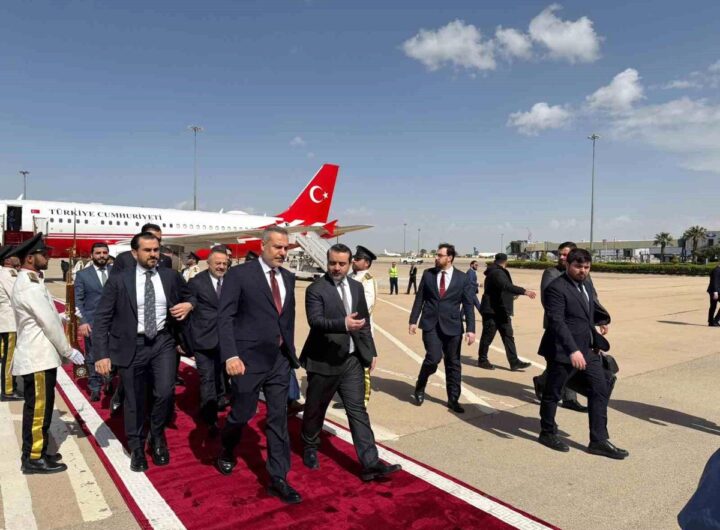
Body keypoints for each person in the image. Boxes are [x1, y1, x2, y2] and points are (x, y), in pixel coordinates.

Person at [93, 231, 195, 472]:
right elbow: (102, 318)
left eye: (156, 250)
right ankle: (136, 446)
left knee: (165, 393)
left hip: (163, 342)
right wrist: (101, 354)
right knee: (135, 399)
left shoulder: (170, 276)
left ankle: (156, 435)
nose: (153, 254)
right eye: (147, 250)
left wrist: (189, 304)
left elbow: (192, 293)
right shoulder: (119, 280)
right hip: (132, 346)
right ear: (134, 253)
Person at [216, 226, 302, 505]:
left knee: (278, 418)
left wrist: (289, 352)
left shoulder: (288, 278)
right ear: (263, 246)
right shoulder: (240, 275)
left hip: (279, 360)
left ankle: (279, 478)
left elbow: (287, 319)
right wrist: (231, 355)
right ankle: (227, 447)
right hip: (247, 360)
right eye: (277, 247)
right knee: (242, 413)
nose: (282, 252)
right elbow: (225, 317)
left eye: (285, 247)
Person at [301, 243, 401, 482]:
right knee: (315, 409)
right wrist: (343, 324)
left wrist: (371, 351)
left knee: (357, 411)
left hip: (352, 361)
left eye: (342, 264)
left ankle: (370, 463)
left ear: (349, 263)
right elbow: (315, 321)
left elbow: (364, 322)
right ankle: (310, 446)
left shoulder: (357, 287)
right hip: (324, 361)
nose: (337, 268)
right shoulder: (316, 289)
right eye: (332, 263)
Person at [538, 248, 628, 459]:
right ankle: (547, 432)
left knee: (601, 388)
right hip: (562, 350)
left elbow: (587, 313)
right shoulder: (556, 288)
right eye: (578, 266)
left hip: (587, 349)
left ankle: (598, 440)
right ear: (568, 265)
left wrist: (600, 323)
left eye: (586, 267)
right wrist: (573, 350)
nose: (583, 271)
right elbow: (557, 322)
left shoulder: (586, 284)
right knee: (553, 392)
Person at [10, 234, 85, 474]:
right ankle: (33, 458)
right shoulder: (28, 285)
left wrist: (61, 316)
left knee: (40, 407)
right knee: (39, 409)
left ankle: (39, 450)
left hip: (40, 355)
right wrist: (69, 350)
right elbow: (48, 324)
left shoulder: (32, 281)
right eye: (43, 254)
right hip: (38, 357)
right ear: (30, 259)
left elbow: (43, 317)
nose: (48, 257)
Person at [108, 223, 179, 413]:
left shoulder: (166, 263)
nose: (154, 252)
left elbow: (178, 292)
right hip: (132, 334)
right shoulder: (123, 261)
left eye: (158, 244)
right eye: (149, 246)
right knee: (134, 388)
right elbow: (113, 294)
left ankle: (156, 422)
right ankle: (121, 394)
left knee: (163, 389)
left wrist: (188, 304)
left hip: (161, 337)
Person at [533, 242, 609, 412]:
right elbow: (548, 301)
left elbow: (592, 299)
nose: (561, 257)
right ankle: (550, 391)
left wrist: (600, 320)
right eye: (560, 254)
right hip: (560, 328)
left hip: (582, 330)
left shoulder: (584, 275)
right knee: (560, 369)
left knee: (573, 370)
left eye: (565, 254)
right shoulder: (552, 274)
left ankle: (567, 398)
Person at [409, 243, 475, 413]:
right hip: (430, 324)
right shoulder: (428, 274)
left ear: (449, 258)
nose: (436, 258)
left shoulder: (462, 278)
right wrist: (413, 320)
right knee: (433, 358)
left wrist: (471, 329)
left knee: (453, 363)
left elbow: (468, 304)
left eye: (439, 255)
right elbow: (419, 298)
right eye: (436, 255)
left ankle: (453, 399)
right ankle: (420, 385)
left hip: (453, 326)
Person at [186, 246, 229, 436]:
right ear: (209, 263)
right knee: (207, 378)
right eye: (218, 263)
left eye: (224, 263)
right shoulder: (196, 282)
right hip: (203, 339)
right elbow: (189, 304)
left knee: (221, 375)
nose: (221, 267)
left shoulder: (231, 281)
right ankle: (210, 419)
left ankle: (219, 400)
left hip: (225, 338)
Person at [334, 245, 378, 410]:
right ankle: (349, 397)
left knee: (363, 365)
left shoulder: (368, 280)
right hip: (346, 326)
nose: (354, 261)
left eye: (358, 259)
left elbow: (368, 305)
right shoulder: (350, 276)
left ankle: (362, 401)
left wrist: (351, 319)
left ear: (366, 263)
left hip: (360, 329)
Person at [477, 253, 535, 371]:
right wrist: (524, 291)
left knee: (508, 335)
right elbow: (506, 286)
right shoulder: (497, 272)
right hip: (492, 310)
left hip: (501, 309)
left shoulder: (495, 271)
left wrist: (511, 295)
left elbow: (501, 289)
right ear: (505, 261)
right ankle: (482, 360)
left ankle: (514, 362)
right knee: (488, 336)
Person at [75, 242, 113, 402]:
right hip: (92, 323)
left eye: (105, 252)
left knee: (114, 354)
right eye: (98, 253)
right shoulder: (83, 275)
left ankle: (109, 381)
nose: (102, 256)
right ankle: (95, 387)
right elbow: (78, 300)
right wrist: (83, 321)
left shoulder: (116, 272)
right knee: (92, 356)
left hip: (114, 323)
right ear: (92, 256)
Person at [0, 245, 23, 401]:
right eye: (15, 255)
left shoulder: (7, 273)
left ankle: (9, 387)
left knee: (8, 357)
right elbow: (17, 295)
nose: (18, 257)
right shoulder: (8, 274)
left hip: (8, 322)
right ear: (8, 259)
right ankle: (8, 390)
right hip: (10, 323)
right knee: (10, 358)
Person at [707, 262, 720, 326]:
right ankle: (713, 321)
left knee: (713, 306)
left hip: (716, 290)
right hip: (715, 291)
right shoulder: (716, 270)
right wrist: (715, 291)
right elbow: (715, 281)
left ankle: (712, 321)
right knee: (713, 306)